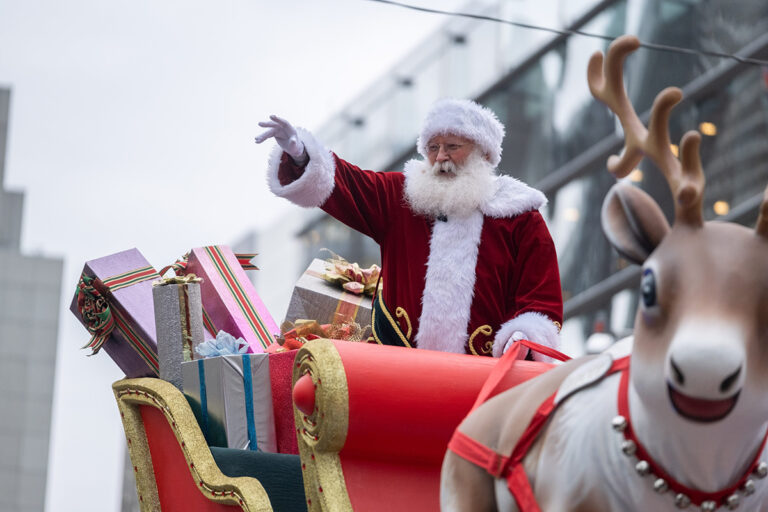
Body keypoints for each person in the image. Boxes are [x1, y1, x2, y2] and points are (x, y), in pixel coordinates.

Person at [255, 99, 563, 359]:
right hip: (397, 376)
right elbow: (347, 184)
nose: (441, 157)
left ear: (483, 153)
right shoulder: (400, 198)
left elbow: (540, 301)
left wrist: (522, 339)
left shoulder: (520, 218)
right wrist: (300, 154)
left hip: (483, 385)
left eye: (453, 147)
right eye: (432, 147)